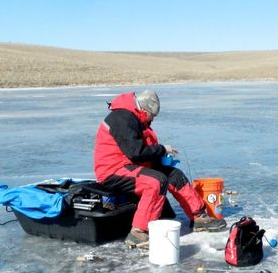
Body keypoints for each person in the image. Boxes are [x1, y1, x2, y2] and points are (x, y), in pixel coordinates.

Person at [93, 90, 226, 249]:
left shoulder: (135, 118)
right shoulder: (122, 118)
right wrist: (163, 149)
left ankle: (198, 216)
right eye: (152, 116)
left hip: (132, 166)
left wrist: (162, 159)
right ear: (145, 110)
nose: (153, 119)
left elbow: (142, 150)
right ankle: (138, 232)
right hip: (113, 170)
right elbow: (136, 152)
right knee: (155, 182)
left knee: (174, 175)